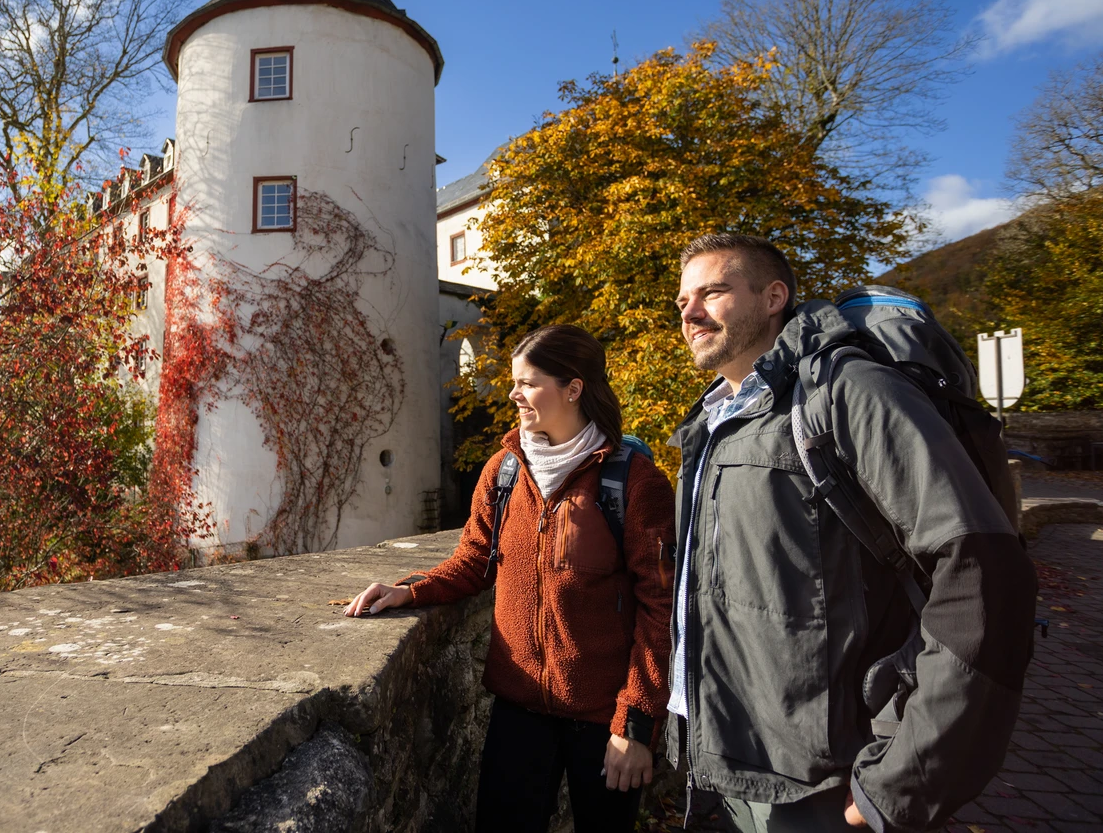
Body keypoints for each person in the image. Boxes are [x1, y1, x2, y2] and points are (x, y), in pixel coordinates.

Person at [668, 233, 1037, 832]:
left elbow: (983, 572)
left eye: (713, 291)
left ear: (773, 297)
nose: (688, 312)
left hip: (833, 776)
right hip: (738, 760)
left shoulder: (846, 390)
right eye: (683, 299)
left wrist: (903, 777)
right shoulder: (717, 420)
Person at [345, 324, 675, 833]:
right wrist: (410, 590)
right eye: (514, 383)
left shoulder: (633, 482)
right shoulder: (503, 472)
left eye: (528, 382)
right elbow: (474, 561)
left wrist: (635, 725)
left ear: (573, 388)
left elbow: (662, 610)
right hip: (519, 710)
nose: (514, 394)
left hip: (606, 721)